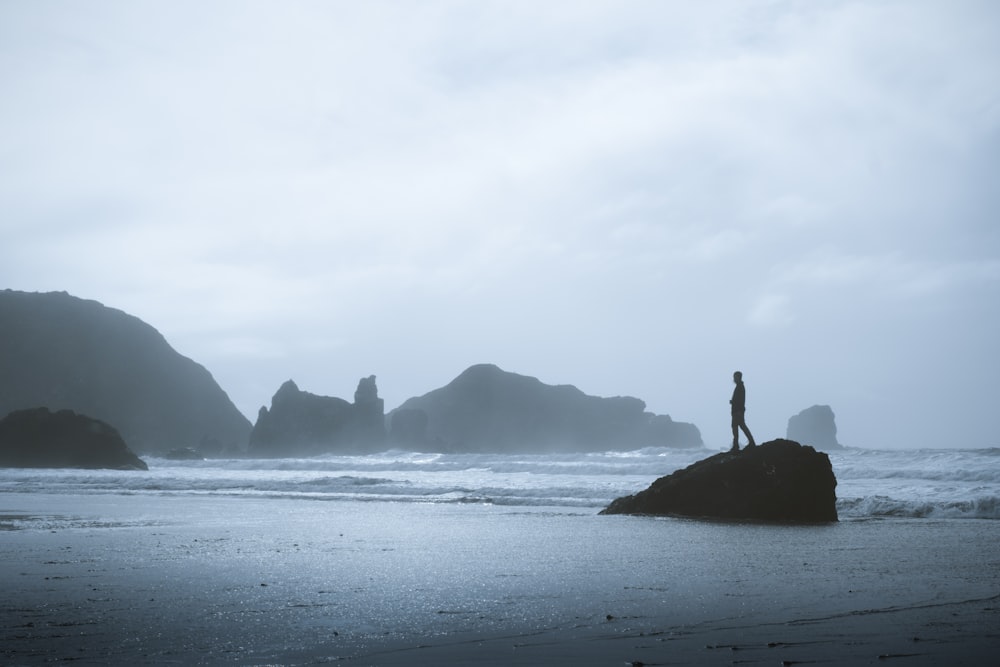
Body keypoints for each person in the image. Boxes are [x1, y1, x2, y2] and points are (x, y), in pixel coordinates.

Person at [730, 371, 756, 452]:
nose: (733, 379)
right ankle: (751, 441)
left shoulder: (740, 387)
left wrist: (734, 404)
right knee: (742, 426)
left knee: (735, 427)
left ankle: (736, 446)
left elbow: (740, 400)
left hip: (737, 411)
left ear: (738, 377)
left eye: (735, 377)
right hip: (739, 410)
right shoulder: (740, 386)